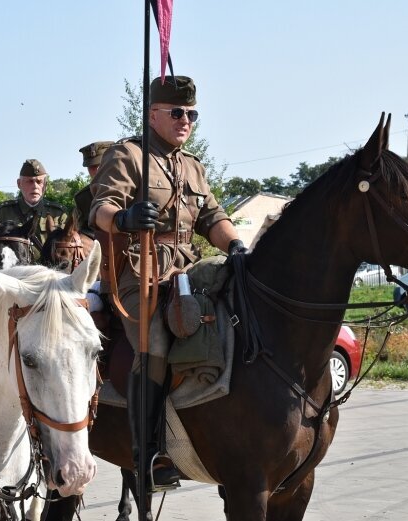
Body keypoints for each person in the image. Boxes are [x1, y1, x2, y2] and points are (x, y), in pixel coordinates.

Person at [89, 75, 247, 491]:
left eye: (192, 114)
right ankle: (150, 451)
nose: (186, 120)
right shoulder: (129, 155)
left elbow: (213, 217)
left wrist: (236, 246)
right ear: (152, 114)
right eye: (177, 113)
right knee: (154, 339)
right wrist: (122, 219)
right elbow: (99, 208)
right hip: (138, 273)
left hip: (188, 270)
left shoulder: (193, 166)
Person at [0, 159, 68, 270]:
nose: (35, 186)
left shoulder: (58, 213)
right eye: (29, 181)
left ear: (45, 185)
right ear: (19, 184)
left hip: (46, 280)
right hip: (11, 278)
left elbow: (68, 250)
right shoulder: (2, 212)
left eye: (39, 182)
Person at [74, 141, 114, 237]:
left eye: (100, 165)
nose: (96, 171)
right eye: (92, 167)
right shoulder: (82, 198)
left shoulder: (130, 188)